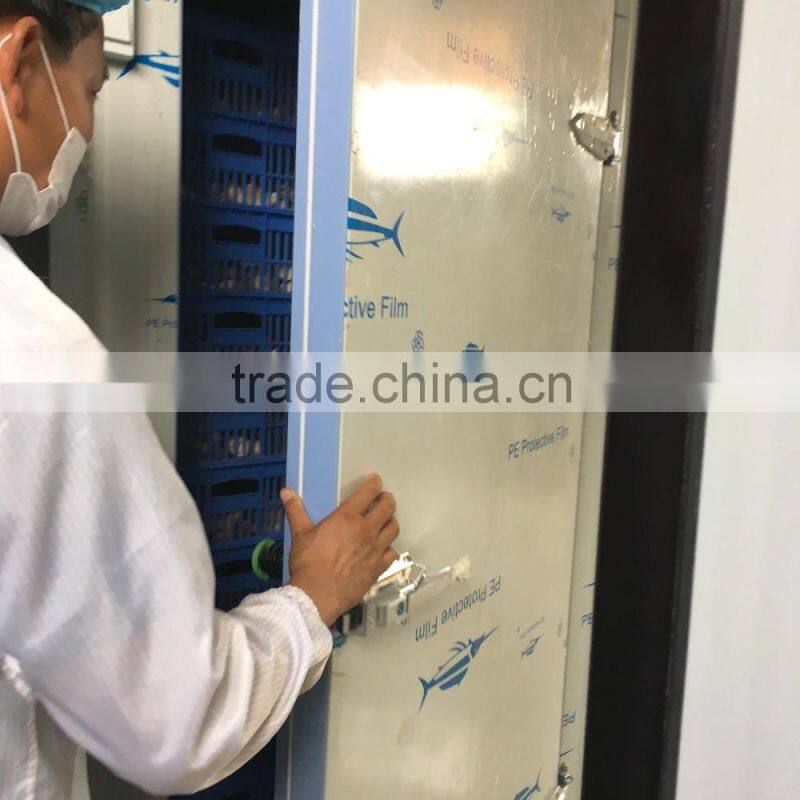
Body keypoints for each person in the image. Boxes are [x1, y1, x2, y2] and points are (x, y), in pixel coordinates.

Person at [0, 1, 400, 797]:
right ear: (19, 62)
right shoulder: (33, 357)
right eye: (92, 89)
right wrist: (314, 595)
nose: (88, 126)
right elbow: (175, 721)